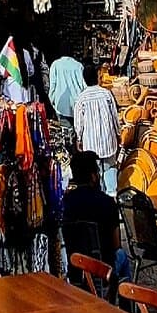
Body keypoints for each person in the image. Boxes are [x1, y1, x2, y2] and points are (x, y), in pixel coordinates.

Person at [62, 149, 132, 284]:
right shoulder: (107, 202)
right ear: (93, 176)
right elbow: (116, 244)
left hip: (75, 269)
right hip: (103, 269)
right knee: (122, 255)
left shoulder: (65, 202)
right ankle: (125, 302)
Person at [73, 63, 122, 195]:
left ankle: (100, 196)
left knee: (96, 170)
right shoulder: (106, 94)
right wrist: (118, 133)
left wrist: (79, 138)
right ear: (97, 77)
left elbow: (79, 123)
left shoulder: (81, 98)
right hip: (108, 140)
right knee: (110, 167)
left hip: (91, 143)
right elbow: (115, 117)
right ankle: (112, 196)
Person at [48, 54, 85, 139]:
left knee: (66, 135)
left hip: (61, 105)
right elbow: (83, 85)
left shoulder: (55, 64)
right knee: (79, 133)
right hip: (77, 104)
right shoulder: (78, 65)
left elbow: (52, 86)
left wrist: (52, 102)